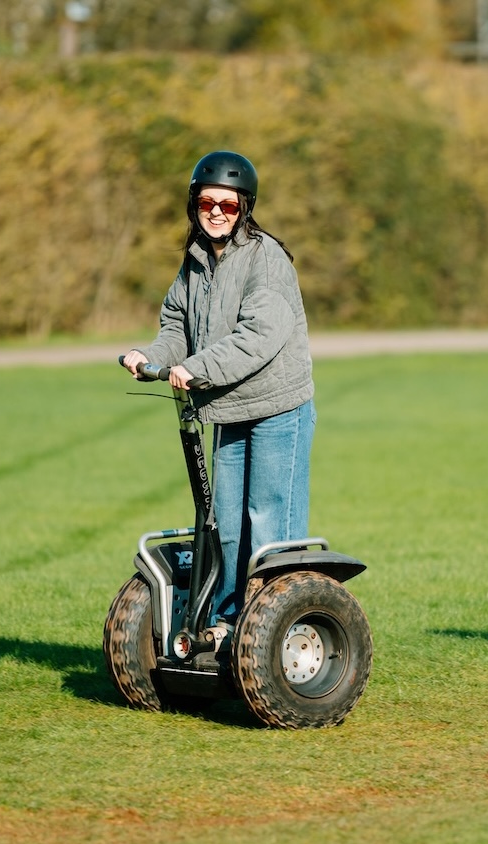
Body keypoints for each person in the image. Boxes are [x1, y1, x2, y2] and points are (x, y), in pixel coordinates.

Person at [121, 150, 315, 647]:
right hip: (229, 408)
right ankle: (228, 625)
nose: (216, 212)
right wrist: (149, 357)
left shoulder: (265, 259)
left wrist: (197, 369)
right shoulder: (196, 261)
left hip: (277, 409)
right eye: (207, 202)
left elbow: (259, 337)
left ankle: (272, 633)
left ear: (245, 208)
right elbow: (176, 327)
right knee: (224, 525)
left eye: (228, 206)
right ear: (193, 204)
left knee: (268, 525)